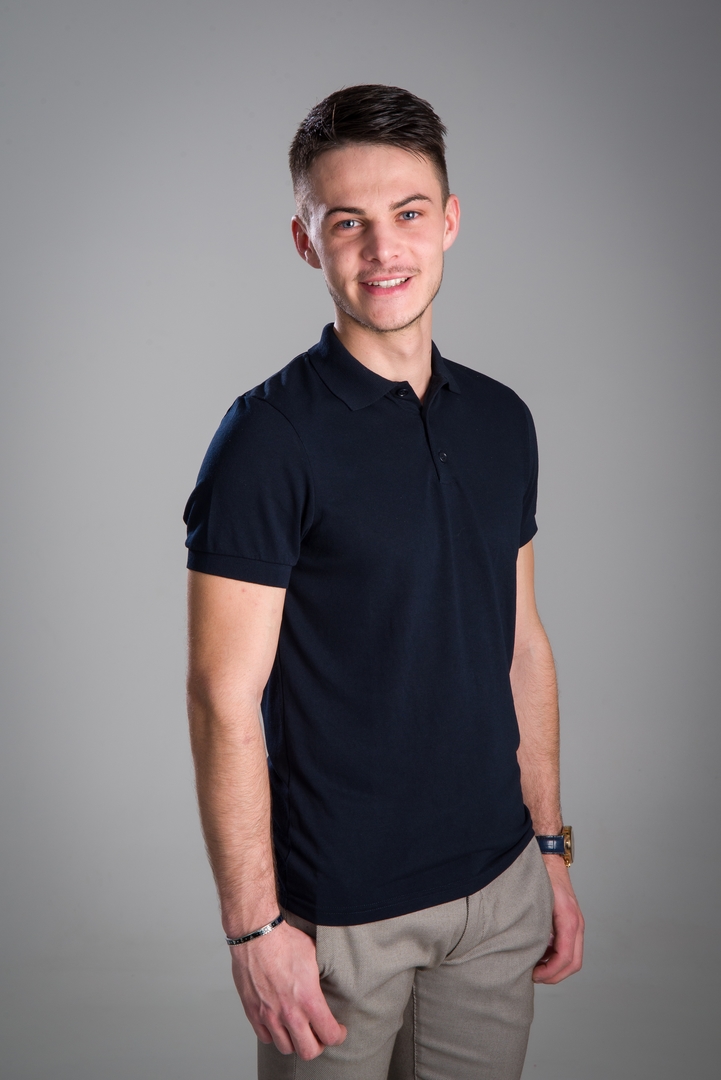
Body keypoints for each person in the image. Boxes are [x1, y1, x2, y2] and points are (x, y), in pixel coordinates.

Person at [184, 84, 584, 1080]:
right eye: (346, 222)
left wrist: (548, 849)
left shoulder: (502, 420)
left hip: (498, 892)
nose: (381, 249)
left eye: (407, 213)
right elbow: (222, 695)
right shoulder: (268, 440)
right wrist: (253, 928)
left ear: (448, 220)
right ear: (305, 241)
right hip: (339, 915)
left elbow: (520, 644)